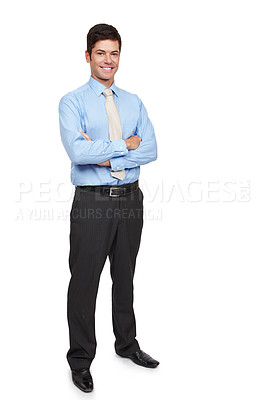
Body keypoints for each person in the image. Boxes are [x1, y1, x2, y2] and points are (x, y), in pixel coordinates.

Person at [58, 23, 159, 393]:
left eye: (114, 53)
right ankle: (81, 360)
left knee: (125, 276)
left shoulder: (133, 101)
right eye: (100, 53)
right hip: (92, 204)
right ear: (88, 56)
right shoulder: (72, 102)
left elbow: (151, 149)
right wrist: (123, 147)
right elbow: (77, 152)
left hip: (131, 200)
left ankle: (127, 345)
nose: (108, 60)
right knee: (84, 282)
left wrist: (105, 153)